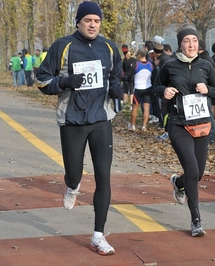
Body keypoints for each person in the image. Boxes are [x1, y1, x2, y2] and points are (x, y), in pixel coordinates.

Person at [35, 1, 122, 255]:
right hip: (71, 120)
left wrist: (117, 88)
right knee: (75, 174)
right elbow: (41, 81)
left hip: (100, 120)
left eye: (96, 21)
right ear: (78, 22)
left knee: (103, 176)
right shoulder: (63, 46)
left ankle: (98, 234)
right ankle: (72, 186)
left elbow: (115, 75)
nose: (92, 25)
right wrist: (65, 81)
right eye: (88, 20)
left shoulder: (109, 47)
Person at [154, 24, 215, 237]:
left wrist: (208, 90)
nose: (191, 45)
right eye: (186, 41)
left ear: (198, 44)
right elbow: (155, 86)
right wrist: (164, 91)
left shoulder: (206, 65)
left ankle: (178, 182)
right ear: (180, 44)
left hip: (201, 124)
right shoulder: (169, 65)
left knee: (198, 173)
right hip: (178, 124)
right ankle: (196, 220)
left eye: (194, 41)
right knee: (192, 170)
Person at [127, 48, 153, 130]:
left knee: (135, 107)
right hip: (148, 88)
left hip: (138, 89)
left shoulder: (135, 65)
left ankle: (133, 125)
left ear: (138, 55)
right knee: (146, 107)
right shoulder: (151, 65)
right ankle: (144, 126)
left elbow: (129, 77)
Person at [121, 44, 136, 109]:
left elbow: (123, 69)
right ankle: (131, 104)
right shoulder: (134, 60)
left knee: (125, 90)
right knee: (131, 90)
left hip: (126, 76)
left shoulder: (124, 60)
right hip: (132, 76)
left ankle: (124, 103)